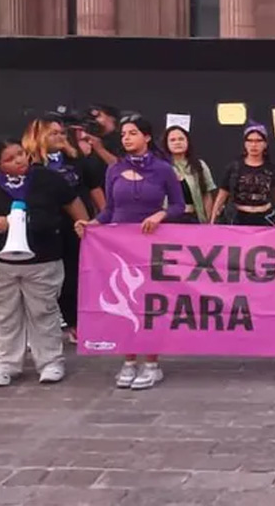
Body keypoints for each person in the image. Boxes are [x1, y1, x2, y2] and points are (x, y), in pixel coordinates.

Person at [0, 139, 88, 387]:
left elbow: (72, 202)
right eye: (10, 159)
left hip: (43, 260)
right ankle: (8, 364)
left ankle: (50, 362)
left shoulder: (47, 179)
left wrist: (84, 225)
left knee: (44, 311)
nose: (19, 160)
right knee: (4, 314)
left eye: (21, 154)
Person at [76, 115, 186, 390]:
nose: (126, 138)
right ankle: (128, 359)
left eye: (133, 133)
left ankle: (151, 363)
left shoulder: (163, 169)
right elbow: (109, 209)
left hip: (150, 246)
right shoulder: (114, 169)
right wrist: (91, 224)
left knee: (149, 304)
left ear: (146, 137)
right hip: (120, 248)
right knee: (125, 300)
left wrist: (160, 215)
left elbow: (178, 205)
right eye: (124, 134)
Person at [23, 115, 105, 344]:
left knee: (74, 277)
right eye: (53, 133)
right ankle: (36, 328)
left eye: (62, 133)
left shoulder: (76, 160)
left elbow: (94, 189)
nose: (60, 137)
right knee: (41, 280)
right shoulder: (27, 164)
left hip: (74, 227)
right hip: (43, 228)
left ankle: (75, 323)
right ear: (39, 136)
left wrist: (103, 218)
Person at [211, 124, 275, 225]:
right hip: (238, 218)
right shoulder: (234, 168)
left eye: (258, 141)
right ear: (245, 144)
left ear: (265, 144)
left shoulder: (272, 169)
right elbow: (222, 195)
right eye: (250, 140)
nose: (254, 145)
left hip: (265, 218)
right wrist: (212, 220)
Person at [163, 126, 216, 224]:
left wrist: (208, 221)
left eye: (181, 139)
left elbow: (207, 194)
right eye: (172, 140)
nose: (177, 142)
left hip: (193, 218)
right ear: (166, 144)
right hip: (167, 220)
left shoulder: (199, 165)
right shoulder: (160, 167)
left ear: (187, 141)